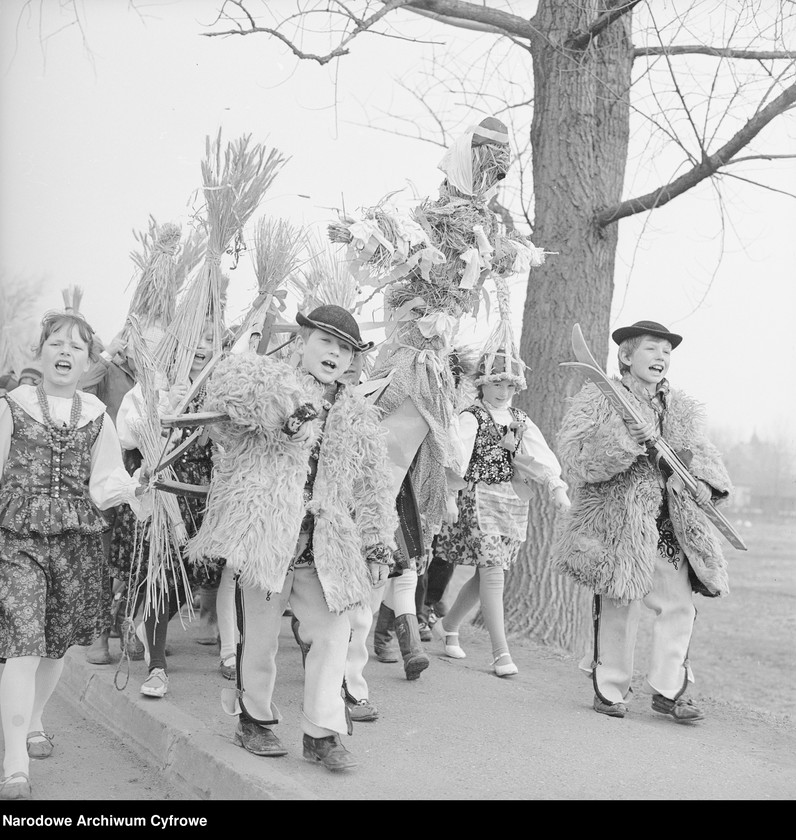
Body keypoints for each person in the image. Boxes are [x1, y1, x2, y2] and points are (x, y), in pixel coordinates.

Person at [186, 305, 397, 771]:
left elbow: (374, 485)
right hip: (268, 536)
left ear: (352, 360)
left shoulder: (358, 414)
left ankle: (321, 734)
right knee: (259, 637)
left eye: (345, 349)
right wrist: (286, 409)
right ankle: (253, 721)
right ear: (302, 342)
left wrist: (378, 543)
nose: (334, 354)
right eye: (326, 341)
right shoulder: (269, 381)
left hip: (325, 546)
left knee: (333, 634)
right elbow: (225, 400)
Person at [0, 311, 148, 800]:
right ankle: (15, 764)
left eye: (77, 347)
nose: (65, 351)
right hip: (17, 538)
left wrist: (135, 488)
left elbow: (104, 482)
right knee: (23, 643)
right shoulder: (12, 406)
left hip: (74, 542)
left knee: (54, 645)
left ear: (87, 362)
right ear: (40, 351)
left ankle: (35, 719)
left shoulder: (96, 414)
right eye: (57, 342)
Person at [553, 320, 733, 721]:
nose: (661, 357)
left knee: (679, 606)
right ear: (626, 355)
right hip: (619, 522)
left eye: (667, 351)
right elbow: (578, 461)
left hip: (670, 524)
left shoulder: (679, 408)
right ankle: (610, 689)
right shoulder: (599, 398)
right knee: (621, 602)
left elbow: (701, 453)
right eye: (652, 348)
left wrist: (706, 483)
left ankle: (670, 690)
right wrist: (627, 439)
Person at [433, 349, 570, 676]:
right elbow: (455, 456)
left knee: (490, 571)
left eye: (509, 385)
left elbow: (539, 455)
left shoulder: (520, 419)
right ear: (482, 383)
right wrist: (449, 496)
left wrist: (556, 486)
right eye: (496, 383)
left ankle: (448, 625)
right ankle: (501, 653)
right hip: (479, 497)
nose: (503, 391)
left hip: (511, 501)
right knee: (493, 569)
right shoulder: (472, 417)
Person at [115, 324, 233, 696]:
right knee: (162, 575)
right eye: (196, 338)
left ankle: (144, 626)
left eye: (210, 339)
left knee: (199, 574)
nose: (202, 346)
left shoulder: (221, 388)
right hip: (166, 491)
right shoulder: (156, 385)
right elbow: (129, 435)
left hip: (206, 495)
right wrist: (167, 405)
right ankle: (157, 668)